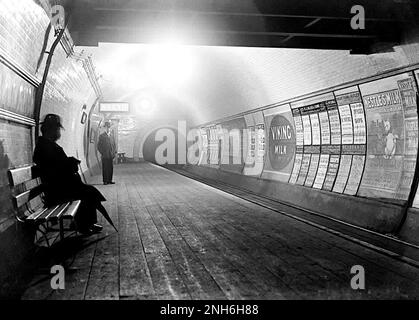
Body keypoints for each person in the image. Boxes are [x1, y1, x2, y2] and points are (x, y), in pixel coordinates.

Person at [33, 114, 106, 235]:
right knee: (86, 192)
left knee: (87, 191)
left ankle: (86, 224)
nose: (59, 132)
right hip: (56, 191)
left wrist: (69, 162)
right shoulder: (46, 147)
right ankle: (84, 226)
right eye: (57, 129)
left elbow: (56, 165)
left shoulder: (46, 145)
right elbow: (56, 168)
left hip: (56, 187)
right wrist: (71, 163)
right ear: (51, 130)